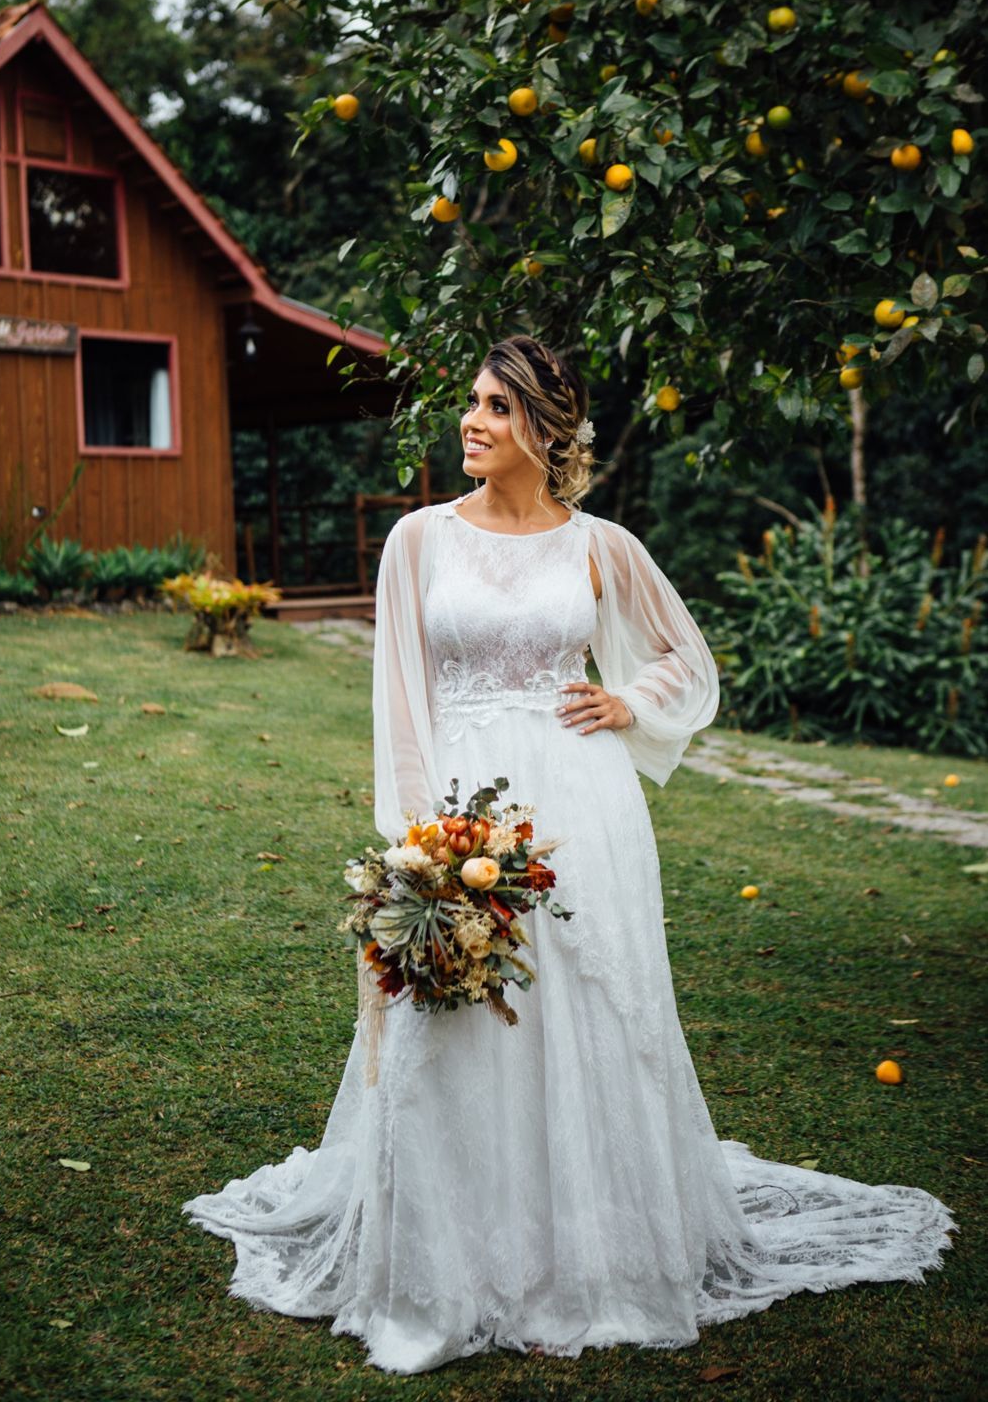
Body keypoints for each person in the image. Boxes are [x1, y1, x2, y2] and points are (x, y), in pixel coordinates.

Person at [182, 335, 957, 1375]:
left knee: (586, 1014)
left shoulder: (601, 544)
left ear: (546, 430)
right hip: (464, 808)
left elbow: (685, 655)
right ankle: (451, 1261)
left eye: (497, 406)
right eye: (472, 401)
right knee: (458, 1015)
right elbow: (400, 699)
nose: (472, 420)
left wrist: (626, 701)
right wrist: (417, 844)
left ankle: (593, 1255)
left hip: (583, 810)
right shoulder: (418, 539)